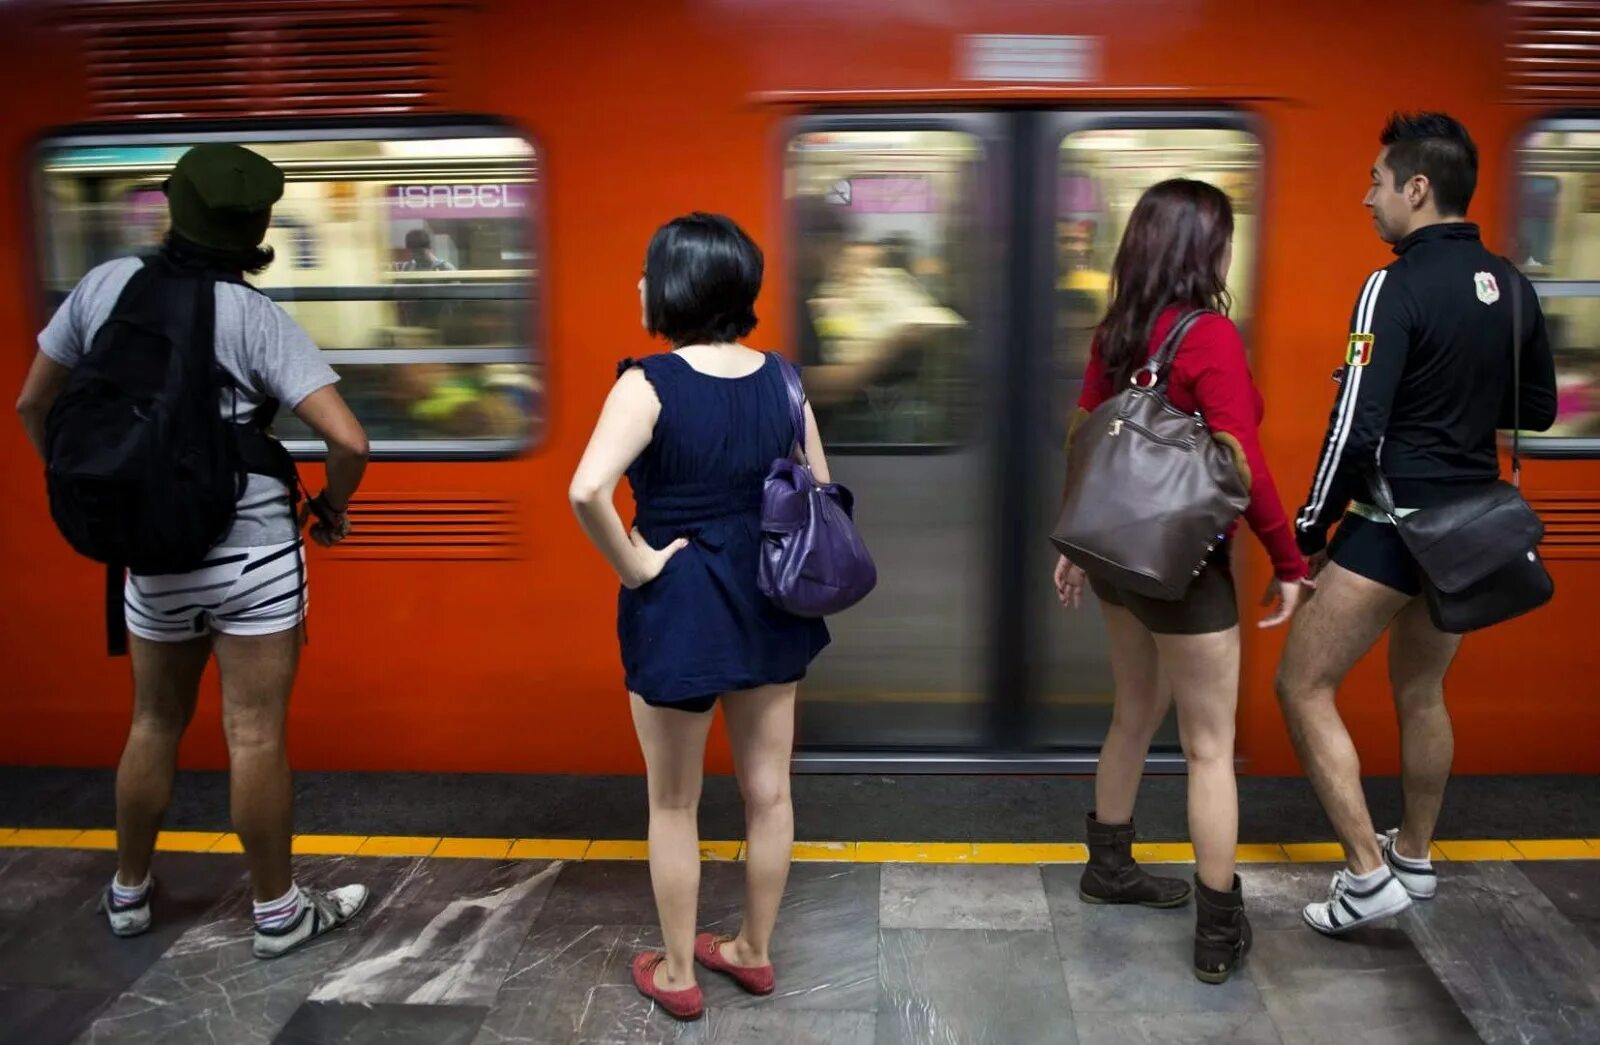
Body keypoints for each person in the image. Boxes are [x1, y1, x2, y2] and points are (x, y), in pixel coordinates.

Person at [14, 144, 373, 959]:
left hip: (148, 555)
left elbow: (35, 403)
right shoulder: (257, 318)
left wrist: (94, 485)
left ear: (174, 207)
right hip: (250, 554)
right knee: (253, 733)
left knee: (151, 720)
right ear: (257, 228)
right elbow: (348, 440)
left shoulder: (104, 287)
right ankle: (278, 913)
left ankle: (129, 893)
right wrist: (333, 508)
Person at [1277, 112, 1557, 935]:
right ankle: (1416, 856)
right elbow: (1534, 408)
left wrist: (1308, 531)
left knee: (1300, 684)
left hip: (1391, 527)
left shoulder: (1390, 286)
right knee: (1423, 688)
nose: (1368, 198)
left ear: (1417, 188)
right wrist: (1455, 395)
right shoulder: (1512, 282)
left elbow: (1354, 428)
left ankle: (1365, 875)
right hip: (1468, 533)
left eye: (1376, 181)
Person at [568, 212, 831, 1021]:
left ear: (680, 284)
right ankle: (752, 949)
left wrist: (640, 562)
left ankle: (678, 970)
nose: (640, 285)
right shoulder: (784, 380)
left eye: (650, 271)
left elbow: (585, 490)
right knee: (768, 792)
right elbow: (817, 485)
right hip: (769, 599)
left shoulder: (646, 383)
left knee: (674, 799)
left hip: (678, 603)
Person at [1053, 178, 1311, 984]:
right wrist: (1291, 561)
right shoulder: (1210, 338)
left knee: (1133, 713)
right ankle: (1216, 931)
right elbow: (1247, 467)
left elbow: (1087, 438)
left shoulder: (1118, 333)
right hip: (1187, 567)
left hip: (1119, 563)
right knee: (1209, 748)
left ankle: (1109, 866)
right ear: (1208, 249)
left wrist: (1075, 541)